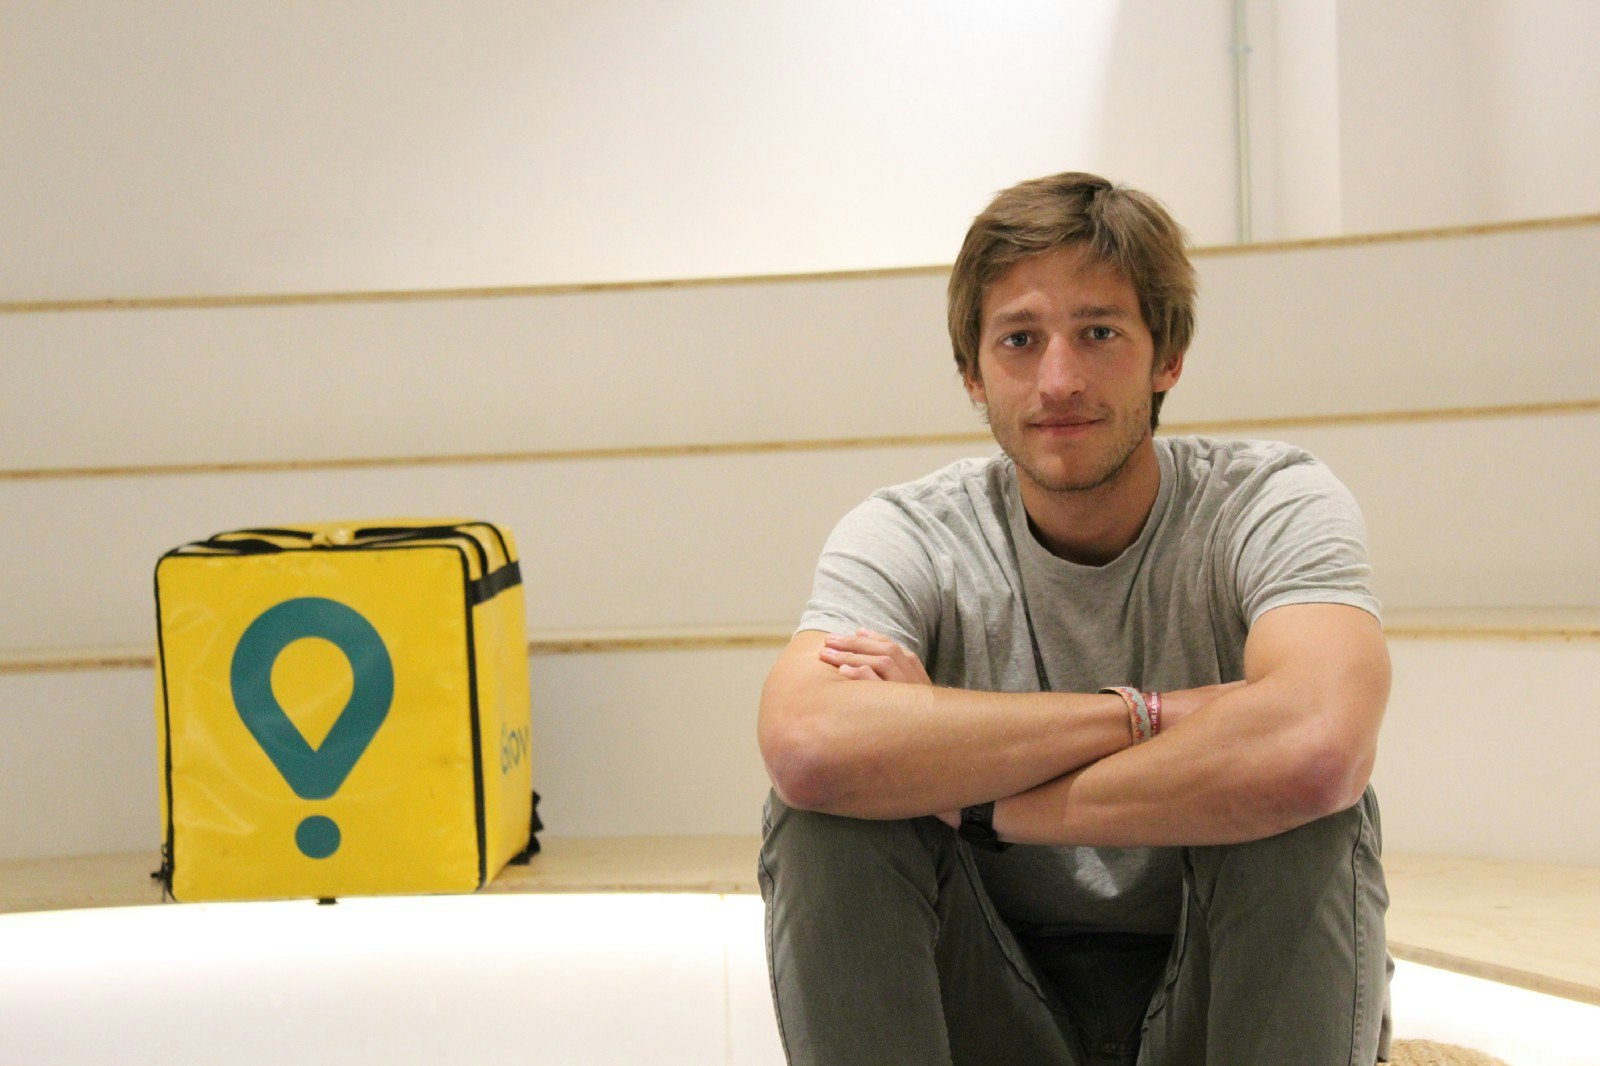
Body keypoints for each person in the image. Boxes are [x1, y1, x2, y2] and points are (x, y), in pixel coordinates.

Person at [756, 171, 1392, 1065]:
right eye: (1020, 339)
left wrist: (982, 804)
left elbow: (1320, 743)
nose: (1059, 380)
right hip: (990, 1002)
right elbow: (810, 742)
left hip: (1216, 991)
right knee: (823, 819)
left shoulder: (1270, 501)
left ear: (1165, 356)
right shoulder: (910, 531)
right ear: (973, 375)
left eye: (1098, 333)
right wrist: (1148, 712)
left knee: (1307, 812)